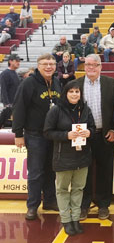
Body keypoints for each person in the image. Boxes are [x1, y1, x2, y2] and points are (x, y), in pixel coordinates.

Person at [12, 53, 61, 220]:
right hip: (34, 135)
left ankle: (50, 201)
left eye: (52, 64)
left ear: (55, 66)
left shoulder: (56, 82)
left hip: (52, 135)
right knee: (35, 172)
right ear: (38, 66)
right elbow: (19, 108)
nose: (49, 67)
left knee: (51, 170)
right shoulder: (29, 83)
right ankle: (32, 205)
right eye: (45, 64)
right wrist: (18, 133)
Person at [43, 80, 95, 236]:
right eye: (71, 91)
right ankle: (66, 220)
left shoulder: (85, 109)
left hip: (82, 156)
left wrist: (89, 133)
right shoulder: (56, 110)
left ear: (80, 94)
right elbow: (47, 132)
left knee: (78, 189)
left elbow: (92, 127)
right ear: (66, 93)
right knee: (63, 190)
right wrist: (66, 135)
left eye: (77, 92)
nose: (74, 94)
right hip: (63, 157)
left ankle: (75, 219)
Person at [76, 54, 114, 221]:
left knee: (105, 171)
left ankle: (103, 205)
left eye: (95, 65)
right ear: (84, 66)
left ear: (101, 66)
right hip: (83, 135)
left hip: (105, 134)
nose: (91, 67)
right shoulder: (76, 84)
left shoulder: (112, 83)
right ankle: (84, 205)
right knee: (82, 171)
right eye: (88, 64)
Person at [0, 54, 21, 128]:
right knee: (7, 123)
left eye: (19, 61)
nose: (18, 63)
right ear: (10, 61)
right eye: (16, 61)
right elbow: (3, 89)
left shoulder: (15, 73)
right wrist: (6, 103)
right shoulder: (5, 74)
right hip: (9, 104)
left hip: (15, 102)